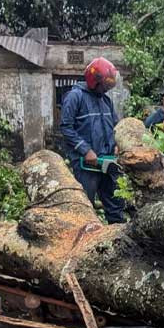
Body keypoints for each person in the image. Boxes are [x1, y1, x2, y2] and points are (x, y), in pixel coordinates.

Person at [60, 57, 125, 223]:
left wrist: (117, 143)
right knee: (84, 206)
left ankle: (117, 237)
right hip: (86, 163)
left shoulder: (105, 100)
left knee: (115, 202)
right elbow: (66, 127)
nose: (106, 90)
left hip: (107, 160)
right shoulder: (75, 97)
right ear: (94, 81)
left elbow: (115, 125)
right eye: (104, 86)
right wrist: (85, 150)